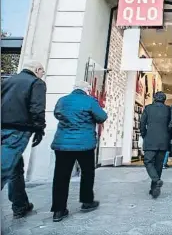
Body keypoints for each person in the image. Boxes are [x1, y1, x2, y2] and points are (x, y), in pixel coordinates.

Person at [50, 81, 107, 222]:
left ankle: (58, 210)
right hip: (84, 144)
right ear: (87, 90)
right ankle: (87, 201)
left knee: (60, 176)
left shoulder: (62, 100)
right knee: (87, 173)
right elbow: (102, 117)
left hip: (63, 143)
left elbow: (57, 114)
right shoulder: (89, 101)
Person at [1, 60, 46, 218]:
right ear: (37, 69)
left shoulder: (7, 81)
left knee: (15, 168)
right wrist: (39, 128)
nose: (42, 74)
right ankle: (20, 204)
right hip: (18, 130)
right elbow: (37, 108)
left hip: (3, 128)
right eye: (42, 71)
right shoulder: (36, 82)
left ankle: (20, 204)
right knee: (4, 169)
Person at [141, 91, 171, 198]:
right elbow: (171, 124)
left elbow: (142, 123)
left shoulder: (148, 108)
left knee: (148, 161)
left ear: (154, 98)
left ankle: (156, 180)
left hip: (150, 140)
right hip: (164, 141)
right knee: (158, 165)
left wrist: (144, 135)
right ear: (164, 99)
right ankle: (154, 189)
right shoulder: (168, 109)